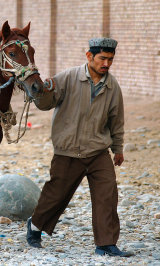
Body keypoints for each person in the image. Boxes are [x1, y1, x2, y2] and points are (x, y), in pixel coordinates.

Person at [26, 38, 133, 257]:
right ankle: (35, 226)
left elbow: (116, 120)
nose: (106, 64)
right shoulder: (68, 78)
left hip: (97, 151)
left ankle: (105, 244)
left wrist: (118, 148)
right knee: (56, 194)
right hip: (68, 150)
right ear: (89, 56)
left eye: (110, 59)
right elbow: (46, 104)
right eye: (102, 58)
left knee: (107, 194)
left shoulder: (113, 88)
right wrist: (42, 91)